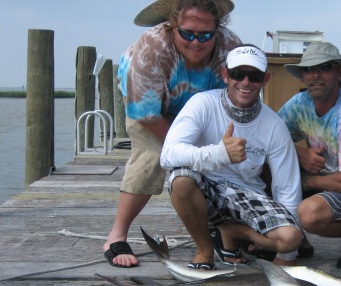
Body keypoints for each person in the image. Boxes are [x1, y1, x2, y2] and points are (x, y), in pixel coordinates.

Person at [103, 0, 241, 268]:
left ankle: (221, 228)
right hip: (150, 106)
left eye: (205, 35)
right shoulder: (150, 50)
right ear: (171, 26)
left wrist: (215, 149)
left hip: (201, 105)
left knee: (222, 156)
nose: (196, 42)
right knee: (153, 156)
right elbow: (147, 115)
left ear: (217, 30)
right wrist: (184, 148)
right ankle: (116, 235)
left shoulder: (230, 47)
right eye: (187, 33)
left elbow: (236, 94)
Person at [160, 44, 303, 269]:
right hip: (204, 189)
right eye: (238, 73)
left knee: (290, 238)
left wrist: (289, 255)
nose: (245, 82)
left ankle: (233, 232)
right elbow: (168, 155)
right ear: (226, 75)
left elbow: (287, 189)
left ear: (265, 79)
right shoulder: (202, 103)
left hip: (247, 196)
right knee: (181, 180)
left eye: (254, 76)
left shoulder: (275, 125)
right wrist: (219, 154)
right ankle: (205, 251)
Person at [278, 42, 341, 269]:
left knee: (309, 214)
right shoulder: (299, 103)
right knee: (263, 170)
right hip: (326, 179)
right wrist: (301, 152)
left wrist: (306, 180)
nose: (315, 75)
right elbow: (267, 139)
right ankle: (297, 241)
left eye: (324, 68)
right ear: (302, 76)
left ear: (339, 73)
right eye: (308, 69)